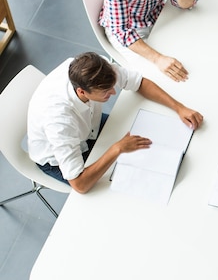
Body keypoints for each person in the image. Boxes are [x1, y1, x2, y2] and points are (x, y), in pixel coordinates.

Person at [27, 52, 204, 194]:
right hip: (55, 159)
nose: (113, 92)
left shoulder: (95, 69)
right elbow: (79, 184)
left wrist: (179, 107)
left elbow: (139, 82)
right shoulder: (59, 122)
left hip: (88, 128)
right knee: (121, 188)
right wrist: (117, 149)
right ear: (82, 92)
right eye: (105, 91)